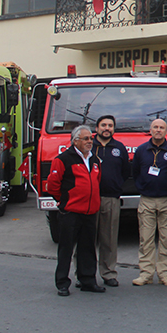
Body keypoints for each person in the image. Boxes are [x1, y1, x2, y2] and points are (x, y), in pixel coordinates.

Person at [48, 125, 102, 296]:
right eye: (85, 139)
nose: (89, 142)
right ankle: (62, 282)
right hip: (70, 212)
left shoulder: (94, 160)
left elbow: (97, 181)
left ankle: (87, 280)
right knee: (66, 248)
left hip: (90, 212)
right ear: (75, 140)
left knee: (88, 248)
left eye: (91, 139)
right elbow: (53, 185)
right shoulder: (63, 159)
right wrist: (64, 201)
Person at [131, 119, 167, 287]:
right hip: (147, 199)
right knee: (146, 238)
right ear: (150, 130)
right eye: (155, 127)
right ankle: (145, 273)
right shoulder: (141, 151)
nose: (158, 130)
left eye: (162, 128)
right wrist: (141, 186)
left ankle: (164, 273)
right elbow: (135, 172)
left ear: (166, 131)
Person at [92, 115, 128, 288]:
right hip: (89, 199)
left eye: (110, 125)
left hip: (111, 198)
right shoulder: (88, 146)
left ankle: (108, 273)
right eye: (104, 125)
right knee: (87, 238)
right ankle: (84, 273)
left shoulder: (119, 148)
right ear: (97, 127)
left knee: (109, 238)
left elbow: (125, 172)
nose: (107, 128)